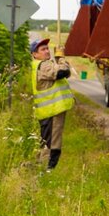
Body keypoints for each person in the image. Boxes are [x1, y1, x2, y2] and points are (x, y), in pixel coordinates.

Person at [29, 34, 75, 169]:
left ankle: (41, 168)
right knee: (52, 144)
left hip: (50, 111)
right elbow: (63, 72)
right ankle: (46, 169)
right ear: (34, 54)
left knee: (47, 141)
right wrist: (61, 58)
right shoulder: (42, 65)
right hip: (52, 111)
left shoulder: (43, 64)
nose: (47, 51)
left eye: (47, 48)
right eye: (42, 49)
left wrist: (59, 61)